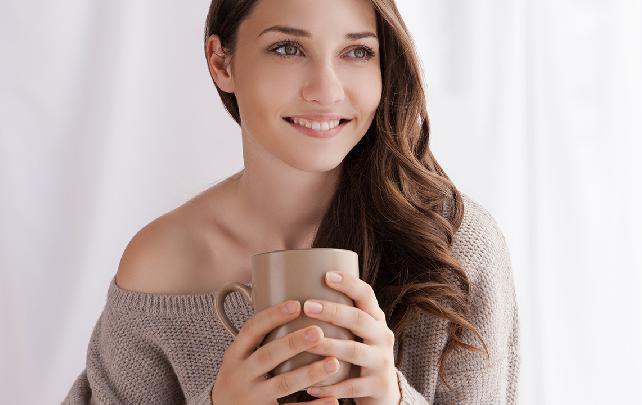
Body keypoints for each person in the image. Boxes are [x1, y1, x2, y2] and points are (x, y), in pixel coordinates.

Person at [62, 0, 520, 403]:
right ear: (221, 63)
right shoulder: (161, 264)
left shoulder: (456, 250)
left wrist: (393, 399)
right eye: (287, 48)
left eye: (357, 51)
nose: (326, 90)